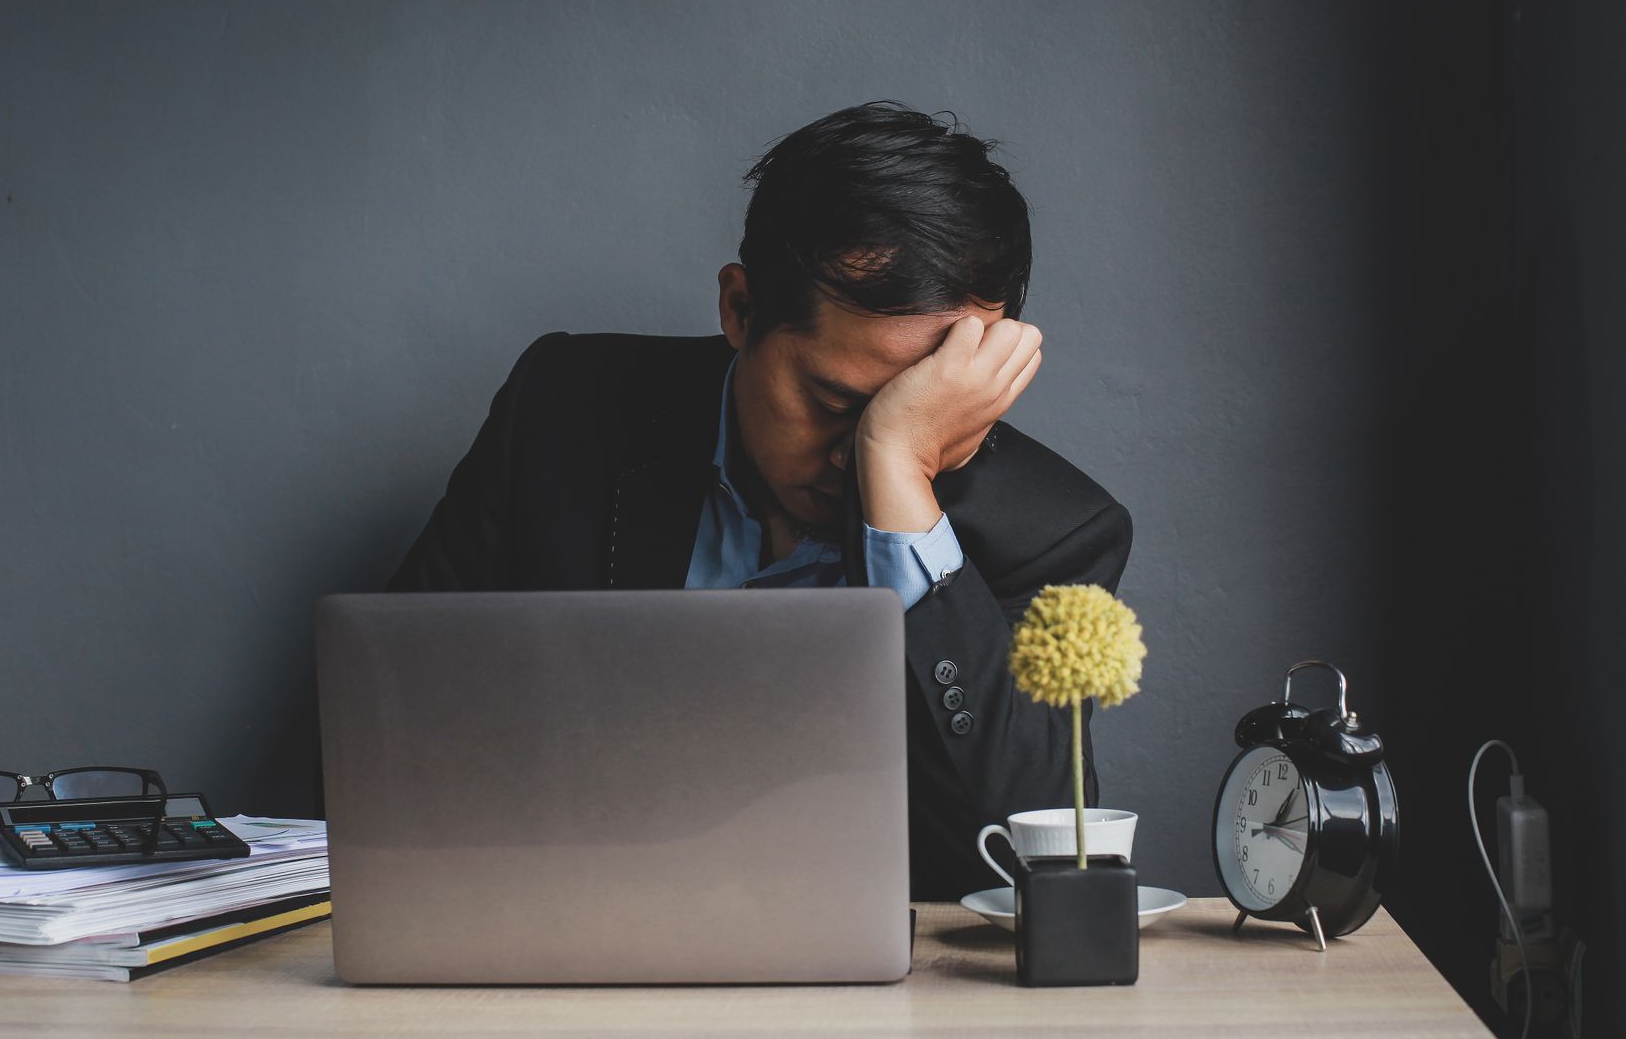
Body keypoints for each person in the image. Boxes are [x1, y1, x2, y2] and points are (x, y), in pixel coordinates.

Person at [386, 101, 1134, 899]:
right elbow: (390, 724)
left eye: (917, 408)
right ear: (740, 309)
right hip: (554, 938)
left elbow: (1037, 872)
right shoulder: (561, 411)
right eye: (839, 404)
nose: (854, 457)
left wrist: (900, 475)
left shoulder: (1058, 533)